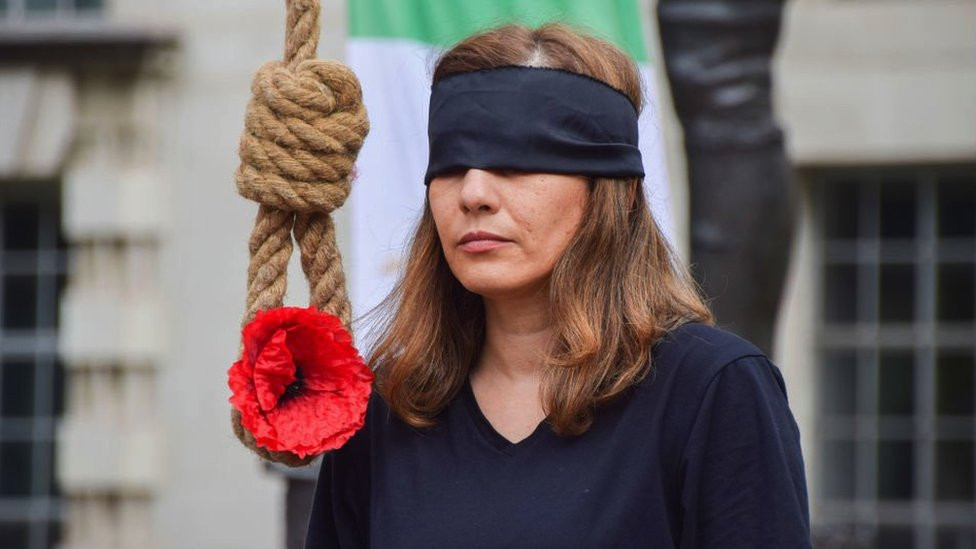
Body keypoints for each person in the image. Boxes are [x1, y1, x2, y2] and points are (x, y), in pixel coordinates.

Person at [305, 23, 810, 549]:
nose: (473, 193)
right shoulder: (387, 406)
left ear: (605, 192)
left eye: (516, 162)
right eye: (452, 165)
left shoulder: (713, 391)